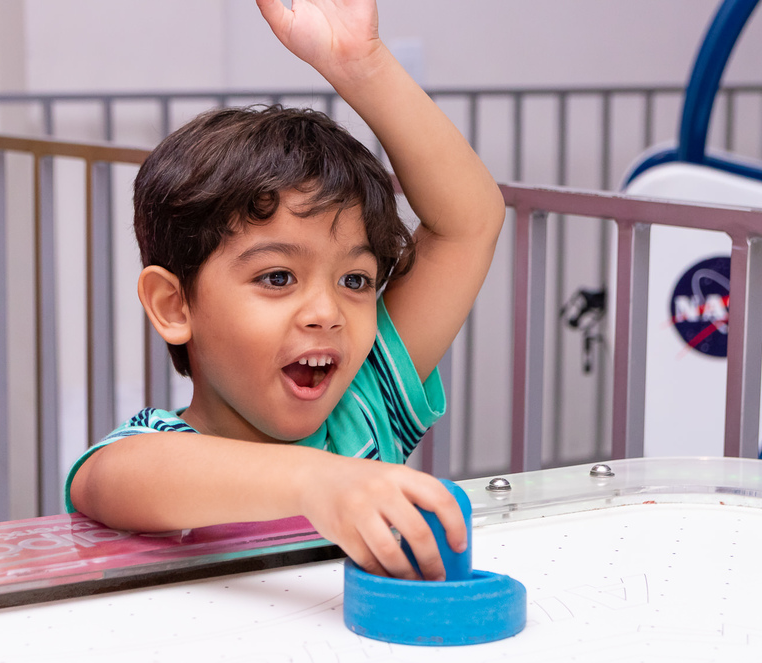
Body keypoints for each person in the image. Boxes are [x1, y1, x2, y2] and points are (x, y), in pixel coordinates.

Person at [66, 0, 505, 581]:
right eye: (277, 278)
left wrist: (362, 65)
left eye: (355, 280)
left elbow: (468, 224)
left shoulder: (365, 408)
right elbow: (112, 477)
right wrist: (320, 481)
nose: (327, 312)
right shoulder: (149, 453)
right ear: (174, 306)